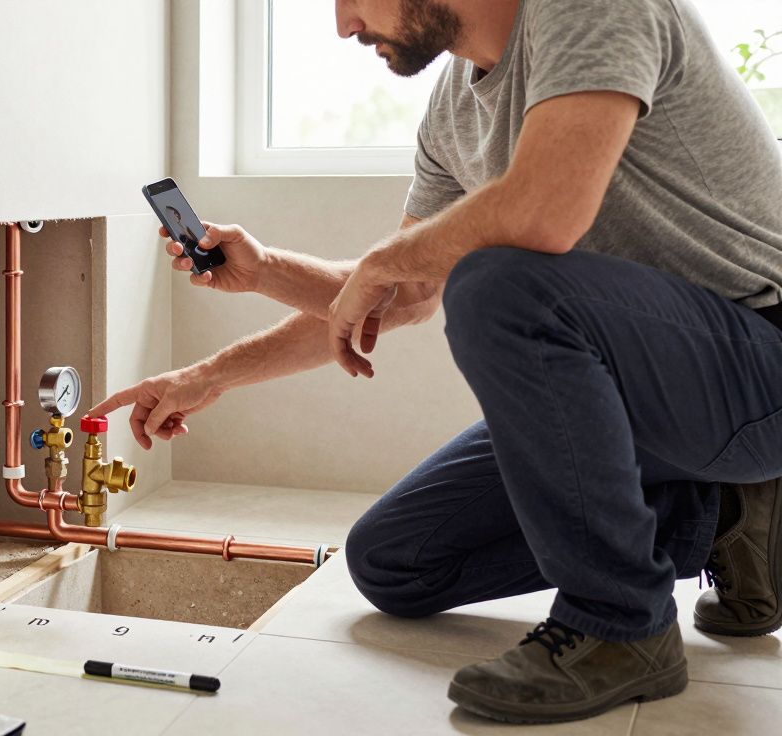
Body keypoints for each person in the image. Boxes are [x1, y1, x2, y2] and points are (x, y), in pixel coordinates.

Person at [89, 0, 782, 724]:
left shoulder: (590, 7)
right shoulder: (455, 106)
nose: (343, 26)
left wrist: (391, 259)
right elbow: (404, 293)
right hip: (647, 398)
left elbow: (543, 213)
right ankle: (720, 509)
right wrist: (232, 329)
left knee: (499, 283)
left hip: (761, 366)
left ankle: (622, 623)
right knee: (395, 561)